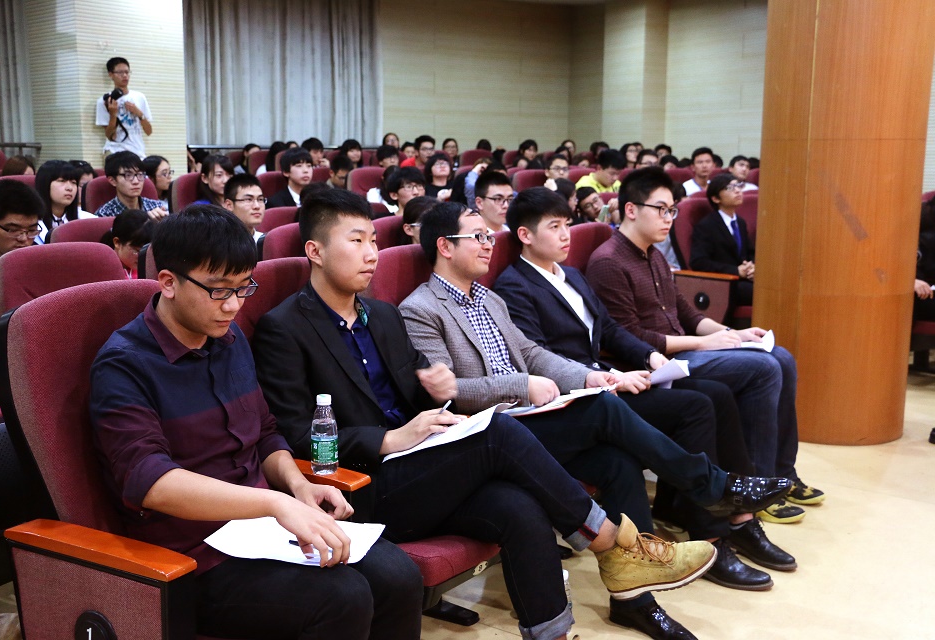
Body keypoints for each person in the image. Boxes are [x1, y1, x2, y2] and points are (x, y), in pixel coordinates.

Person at [250, 189, 726, 640]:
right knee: (499, 432)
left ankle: (552, 631)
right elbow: (295, 435)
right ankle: (614, 547)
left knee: (519, 507)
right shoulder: (284, 328)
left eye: (374, 241)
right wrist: (388, 439)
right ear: (314, 251)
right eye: (356, 242)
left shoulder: (383, 315)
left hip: (422, 464)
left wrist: (439, 395)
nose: (372, 254)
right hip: (361, 485)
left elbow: (424, 390)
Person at [398, 200, 791, 637]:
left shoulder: (488, 298)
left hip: (533, 417)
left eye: (490, 236)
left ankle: (635, 599)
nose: (490, 244)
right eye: (478, 237)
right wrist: (522, 384)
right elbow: (448, 390)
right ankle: (711, 486)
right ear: (445, 246)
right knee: (603, 408)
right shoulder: (420, 309)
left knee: (617, 463)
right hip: (492, 435)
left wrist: (587, 375)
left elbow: (531, 353)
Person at [90, 205, 423, 639]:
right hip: (192, 557)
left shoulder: (228, 339)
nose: (232, 306)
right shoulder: (124, 365)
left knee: (399, 575)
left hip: (260, 531)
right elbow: (151, 483)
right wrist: (274, 503)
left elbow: (264, 432)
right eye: (218, 291)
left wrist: (298, 486)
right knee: (342, 597)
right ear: (168, 283)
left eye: (243, 287)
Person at [494, 187, 797, 591]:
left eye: (568, 224)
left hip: (606, 380)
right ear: (525, 235)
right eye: (554, 227)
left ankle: (738, 517)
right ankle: (711, 533)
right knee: (695, 407)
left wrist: (650, 357)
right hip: (577, 396)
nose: (566, 235)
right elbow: (540, 356)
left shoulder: (571, 276)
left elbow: (610, 329)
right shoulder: (515, 287)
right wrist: (608, 376)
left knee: (716, 397)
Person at [585, 167, 824, 523]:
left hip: (687, 349)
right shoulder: (608, 261)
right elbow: (630, 337)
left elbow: (688, 314)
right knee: (763, 369)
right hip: (660, 363)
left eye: (672, 210)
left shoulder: (655, 255)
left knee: (782, 357)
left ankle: (782, 473)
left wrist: (734, 333)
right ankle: (759, 485)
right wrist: (704, 343)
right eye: (661, 209)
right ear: (631, 209)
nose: (669, 218)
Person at [0, 180, 44, 358]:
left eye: (32, 230)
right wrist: (17, 343)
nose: (24, 239)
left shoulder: (44, 260)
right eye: (13, 230)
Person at [690, 173, 755, 306]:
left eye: (738, 186)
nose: (737, 191)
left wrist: (753, 267)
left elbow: (749, 252)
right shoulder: (707, 225)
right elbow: (699, 262)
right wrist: (735, 270)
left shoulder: (740, 222)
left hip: (743, 281)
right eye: (730, 188)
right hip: (723, 283)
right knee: (762, 292)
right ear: (715, 198)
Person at [95, 57, 152, 158]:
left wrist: (139, 113)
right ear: (111, 74)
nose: (125, 75)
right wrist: (113, 115)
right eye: (120, 72)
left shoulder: (139, 97)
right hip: (115, 151)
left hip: (138, 151)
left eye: (127, 72)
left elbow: (149, 131)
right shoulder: (105, 101)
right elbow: (110, 136)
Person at [34, 160, 95, 243]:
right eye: (62, 181)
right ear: (45, 184)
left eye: (74, 182)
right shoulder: (29, 223)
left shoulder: (89, 220)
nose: (69, 188)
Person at [94, 151, 167, 219]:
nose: (136, 181)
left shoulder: (156, 206)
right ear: (113, 180)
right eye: (128, 175)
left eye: (140, 174)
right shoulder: (104, 215)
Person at [101, 208, 154, 278]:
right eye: (137, 251)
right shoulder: (103, 271)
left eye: (146, 251)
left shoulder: (150, 270)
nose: (142, 257)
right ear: (117, 242)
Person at [223, 174, 267, 242]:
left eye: (260, 199)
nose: (257, 206)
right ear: (229, 205)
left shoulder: (266, 241)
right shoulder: (218, 242)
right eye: (248, 199)